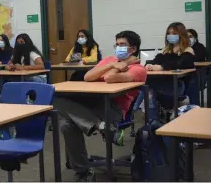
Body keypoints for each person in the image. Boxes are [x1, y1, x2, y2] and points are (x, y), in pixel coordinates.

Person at [55, 30, 147, 181]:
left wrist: (121, 65)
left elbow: (110, 78)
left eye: (122, 45)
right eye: (116, 44)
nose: (118, 48)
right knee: (56, 102)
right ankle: (100, 127)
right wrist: (113, 63)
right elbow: (88, 76)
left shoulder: (139, 69)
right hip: (92, 104)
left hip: (113, 109)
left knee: (66, 123)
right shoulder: (110, 60)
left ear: (133, 49)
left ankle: (83, 169)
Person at [144, 22, 195, 119]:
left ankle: (143, 116)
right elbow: (156, 61)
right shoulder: (166, 50)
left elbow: (181, 63)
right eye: (169, 33)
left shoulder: (187, 50)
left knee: (147, 89)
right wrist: (150, 65)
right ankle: (152, 123)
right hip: (161, 84)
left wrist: (162, 67)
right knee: (147, 89)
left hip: (176, 85)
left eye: (174, 33)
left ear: (181, 35)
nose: (171, 36)